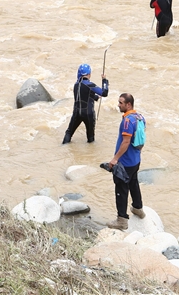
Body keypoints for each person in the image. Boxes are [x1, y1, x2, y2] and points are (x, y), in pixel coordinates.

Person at [106, 93, 144, 231]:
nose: (118, 105)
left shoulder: (127, 121)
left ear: (128, 104)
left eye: (121, 103)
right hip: (135, 160)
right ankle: (138, 208)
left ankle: (121, 220)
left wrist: (115, 159)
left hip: (125, 162)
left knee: (121, 189)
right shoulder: (140, 117)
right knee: (133, 183)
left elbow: (126, 142)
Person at [62, 64, 108, 144]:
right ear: (89, 74)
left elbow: (82, 96)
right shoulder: (90, 85)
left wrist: (95, 97)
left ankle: (63, 146)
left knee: (69, 132)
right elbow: (104, 93)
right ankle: (90, 151)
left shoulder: (76, 85)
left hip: (76, 113)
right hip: (88, 114)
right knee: (90, 137)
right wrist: (104, 80)